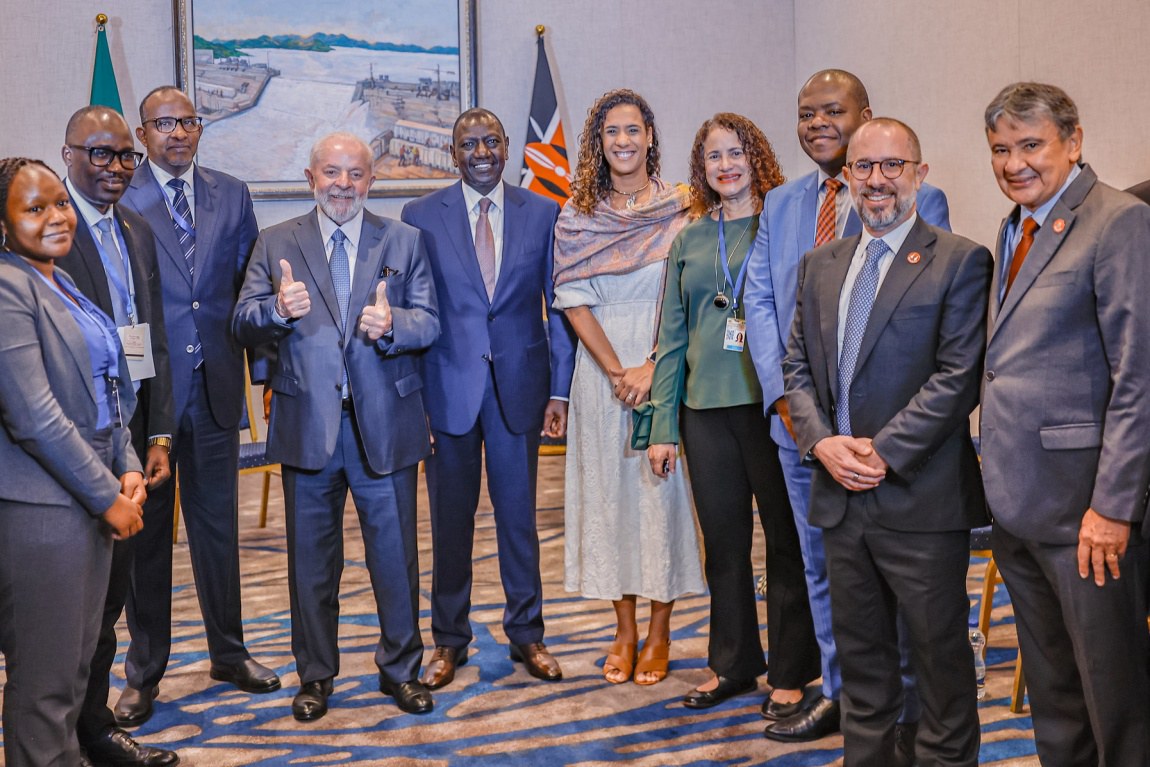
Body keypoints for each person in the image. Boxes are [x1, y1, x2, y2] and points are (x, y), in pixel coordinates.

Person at [743, 69, 951, 750]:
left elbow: (929, 318)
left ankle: (909, 708)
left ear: (866, 114)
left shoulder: (925, 198)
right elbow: (762, 305)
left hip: (890, 442)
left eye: (833, 110)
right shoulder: (778, 204)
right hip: (802, 430)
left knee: (903, 588)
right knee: (823, 569)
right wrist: (788, 404)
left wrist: (877, 439)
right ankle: (842, 692)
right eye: (806, 113)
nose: (817, 124)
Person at [783, 118, 990, 767]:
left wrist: (877, 451)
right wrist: (821, 444)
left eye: (893, 165)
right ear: (847, 178)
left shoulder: (960, 259)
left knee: (937, 674)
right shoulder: (821, 264)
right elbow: (795, 368)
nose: (878, 180)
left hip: (920, 499)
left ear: (920, 174)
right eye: (864, 167)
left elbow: (959, 378)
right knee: (863, 671)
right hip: (840, 502)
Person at [233, 132, 440, 720]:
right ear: (311, 177)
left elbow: (429, 321)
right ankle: (315, 676)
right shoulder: (277, 241)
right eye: (332, 172)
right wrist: (276, 310)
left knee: (395, 559)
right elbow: (243, 321)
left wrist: (391, 320)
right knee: (311, 563)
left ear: (370, 181)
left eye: (355, 174)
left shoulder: (405, 240)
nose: (343, 184)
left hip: (386, 424)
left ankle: (400, 671)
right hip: (309, 425)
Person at [980, 82, 1150, 766]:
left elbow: (1138, 377)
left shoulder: (1118, 222)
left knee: (1115, 699)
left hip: (1087, 517)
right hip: (1020, 509)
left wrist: (1112, 506)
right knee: (1054, 696)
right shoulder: (1014, 224)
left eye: (1030, 145)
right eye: (1000, 149)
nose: (1014, 162)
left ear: (1073, 142)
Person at [113, 86, 278, 723]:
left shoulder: (231, 193)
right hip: (145, 398)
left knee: (217, 530)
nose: (177, 132)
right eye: (164, 124)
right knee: (146, 539)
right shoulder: (119, 195)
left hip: (215, 389)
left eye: (188, 121)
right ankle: (144, 671)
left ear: (200, 129)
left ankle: (228, 652)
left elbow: (249, 287)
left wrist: (263, 372)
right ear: (143, 131)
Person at [646, 113, 819, 706]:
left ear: (757, 157)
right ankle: (734, 663)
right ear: (702, 167)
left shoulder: (785, 223)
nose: (726, 165)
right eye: (714, 156)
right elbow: (670, 340)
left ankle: (793, 670)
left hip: (773, 409)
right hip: (704, 410)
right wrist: (662, 428)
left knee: (786, 540)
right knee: (723, 545)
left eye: (737, 152)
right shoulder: (690, 239)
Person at [401, 108, 576, 689]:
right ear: (453, 153)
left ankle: (528, 634)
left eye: (491, 141)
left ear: (507, 149)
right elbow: (415, 313)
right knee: (450, 525)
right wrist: (415, 401)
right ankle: (449, 642)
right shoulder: (420, 216)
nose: (481, 151)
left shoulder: (544, 212)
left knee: (519, 521)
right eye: (468, 143)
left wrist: (559, 389)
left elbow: (560, 309)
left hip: (520, 391)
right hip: (446, 393)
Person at [552, 89, 705, 686]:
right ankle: (624, 628)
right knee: (610, 499)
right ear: (599, 142)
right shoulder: (576, 214)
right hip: (599, 373)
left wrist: (651, 366)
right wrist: (617, 370)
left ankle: (663, 629)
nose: (623, 141)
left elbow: (689, 294)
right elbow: (572, 300)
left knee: (660, 498)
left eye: (633, 130)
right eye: (611, 132)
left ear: (650, 137)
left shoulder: (682, 207)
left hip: (665, 361)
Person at [0, 157, 144, 767]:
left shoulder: (58, 279)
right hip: (43, 512)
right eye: (35, 208)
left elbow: (106, 386)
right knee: (45, 686)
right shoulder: (7, 288)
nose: (57, 216)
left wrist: (128, 462)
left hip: (89, 498)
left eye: (60, 202)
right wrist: (107, 496)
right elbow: (32, 416)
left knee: (76, 666)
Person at [56, 105, 180, 767]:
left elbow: (145, 335)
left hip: (128, 436)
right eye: (100, 154)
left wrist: (155, 430)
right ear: (69, 152)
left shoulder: (135, 227)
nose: (116, 167)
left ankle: (93, 727)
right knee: (67, 596)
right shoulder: (46, 231)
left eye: (126, 155)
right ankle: (57, 734)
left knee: (111, 590)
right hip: (67, 442)